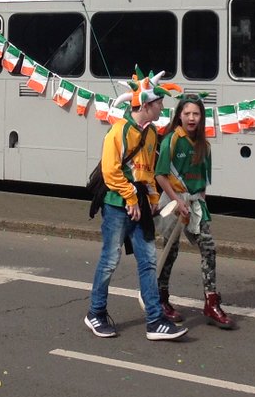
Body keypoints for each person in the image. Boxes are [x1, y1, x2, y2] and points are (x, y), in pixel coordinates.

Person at [84, 71, 186, 341]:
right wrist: (131, 199)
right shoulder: (118, 132)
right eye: (159, 103)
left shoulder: (152, 133)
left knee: (148, 260)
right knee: (110, 260)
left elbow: (149, 171)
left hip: (140, 207)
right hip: (117, 205)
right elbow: (110, 171)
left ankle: (155, 320)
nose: (163, 107)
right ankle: (95, 312)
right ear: (147, 105)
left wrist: (152, 202)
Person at [154, 95, 233, 329]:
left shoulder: (204, 146)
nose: (191, 118)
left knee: (208, 247)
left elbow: (203, 182)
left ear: (201, 117)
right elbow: (160, 174)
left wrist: (201, 206)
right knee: (171, 250)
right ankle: (161, 299)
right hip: (173, 203)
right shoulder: (171, 140)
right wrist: (177, 200)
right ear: (179, 115)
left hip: (195, 205)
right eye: (187, 113)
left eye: (196, 114)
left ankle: (211, 301)